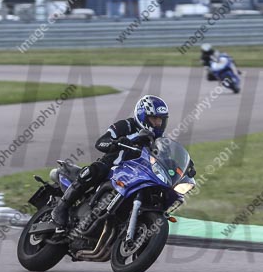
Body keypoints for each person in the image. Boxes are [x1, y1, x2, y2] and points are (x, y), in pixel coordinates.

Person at [52, 94, 175, 232]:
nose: (158, 124)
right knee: (96, 170)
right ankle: (61, 208)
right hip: (112, 167)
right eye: (154, 119)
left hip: (135, 175)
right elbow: (100, 142)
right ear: (143, 116)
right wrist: (117, 142)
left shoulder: (160, 142)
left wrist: (178, 167)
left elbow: (165, 160)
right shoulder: (126, 126)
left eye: (161, 120)